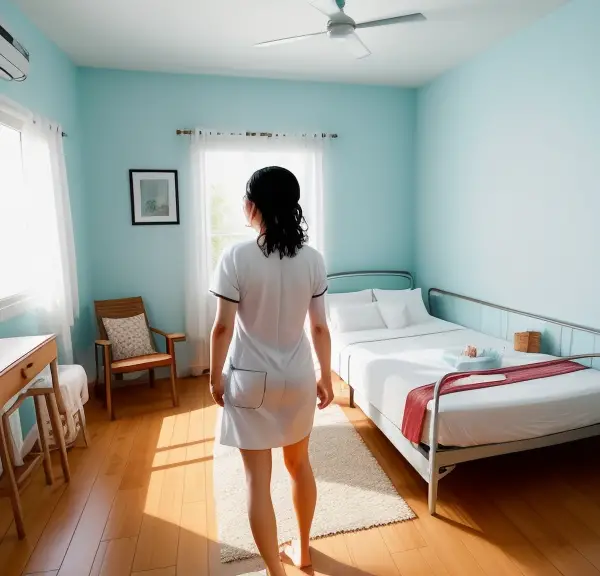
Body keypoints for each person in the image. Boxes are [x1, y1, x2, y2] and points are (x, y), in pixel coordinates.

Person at [209, 166, 333, 576]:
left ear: (253, 206)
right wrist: (326, 376)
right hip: (297, 377)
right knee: (300, 466)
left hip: (249, 380)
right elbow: (318, 326)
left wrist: (214, 378)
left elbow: (223, 327)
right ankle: (304, 552)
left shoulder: (236, 257)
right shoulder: (313, 259)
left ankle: (275, 573)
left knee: (256, 481)